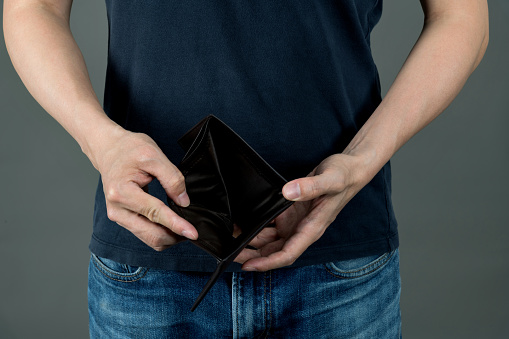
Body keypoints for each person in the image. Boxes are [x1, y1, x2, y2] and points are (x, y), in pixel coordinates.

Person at [4, 0, 488, 337]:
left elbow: (460, 14)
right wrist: (100, 141)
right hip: (150, 274)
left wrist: (365, 155)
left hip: (338, 268)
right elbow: (33, 8)